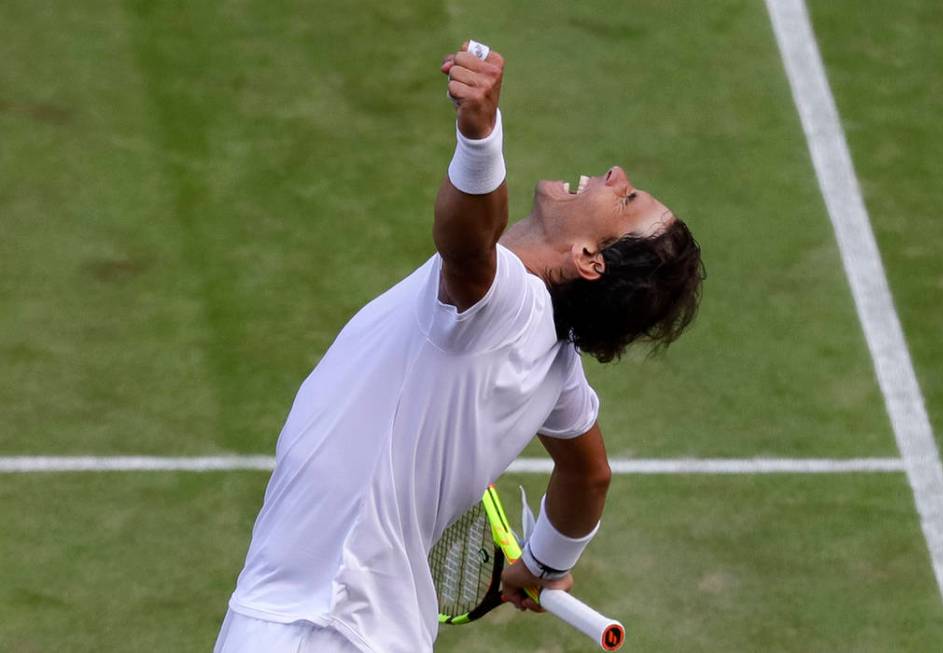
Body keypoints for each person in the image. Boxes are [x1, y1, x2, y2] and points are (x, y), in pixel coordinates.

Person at [214, 41, 704, 653]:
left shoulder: (507, 300)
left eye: (627, 201)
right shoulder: (557, 368)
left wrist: (481, 138)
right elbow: (587, 474)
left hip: (315, 623)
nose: (617, 176)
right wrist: (545, 566)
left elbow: (467, 244)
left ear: (588, 260)